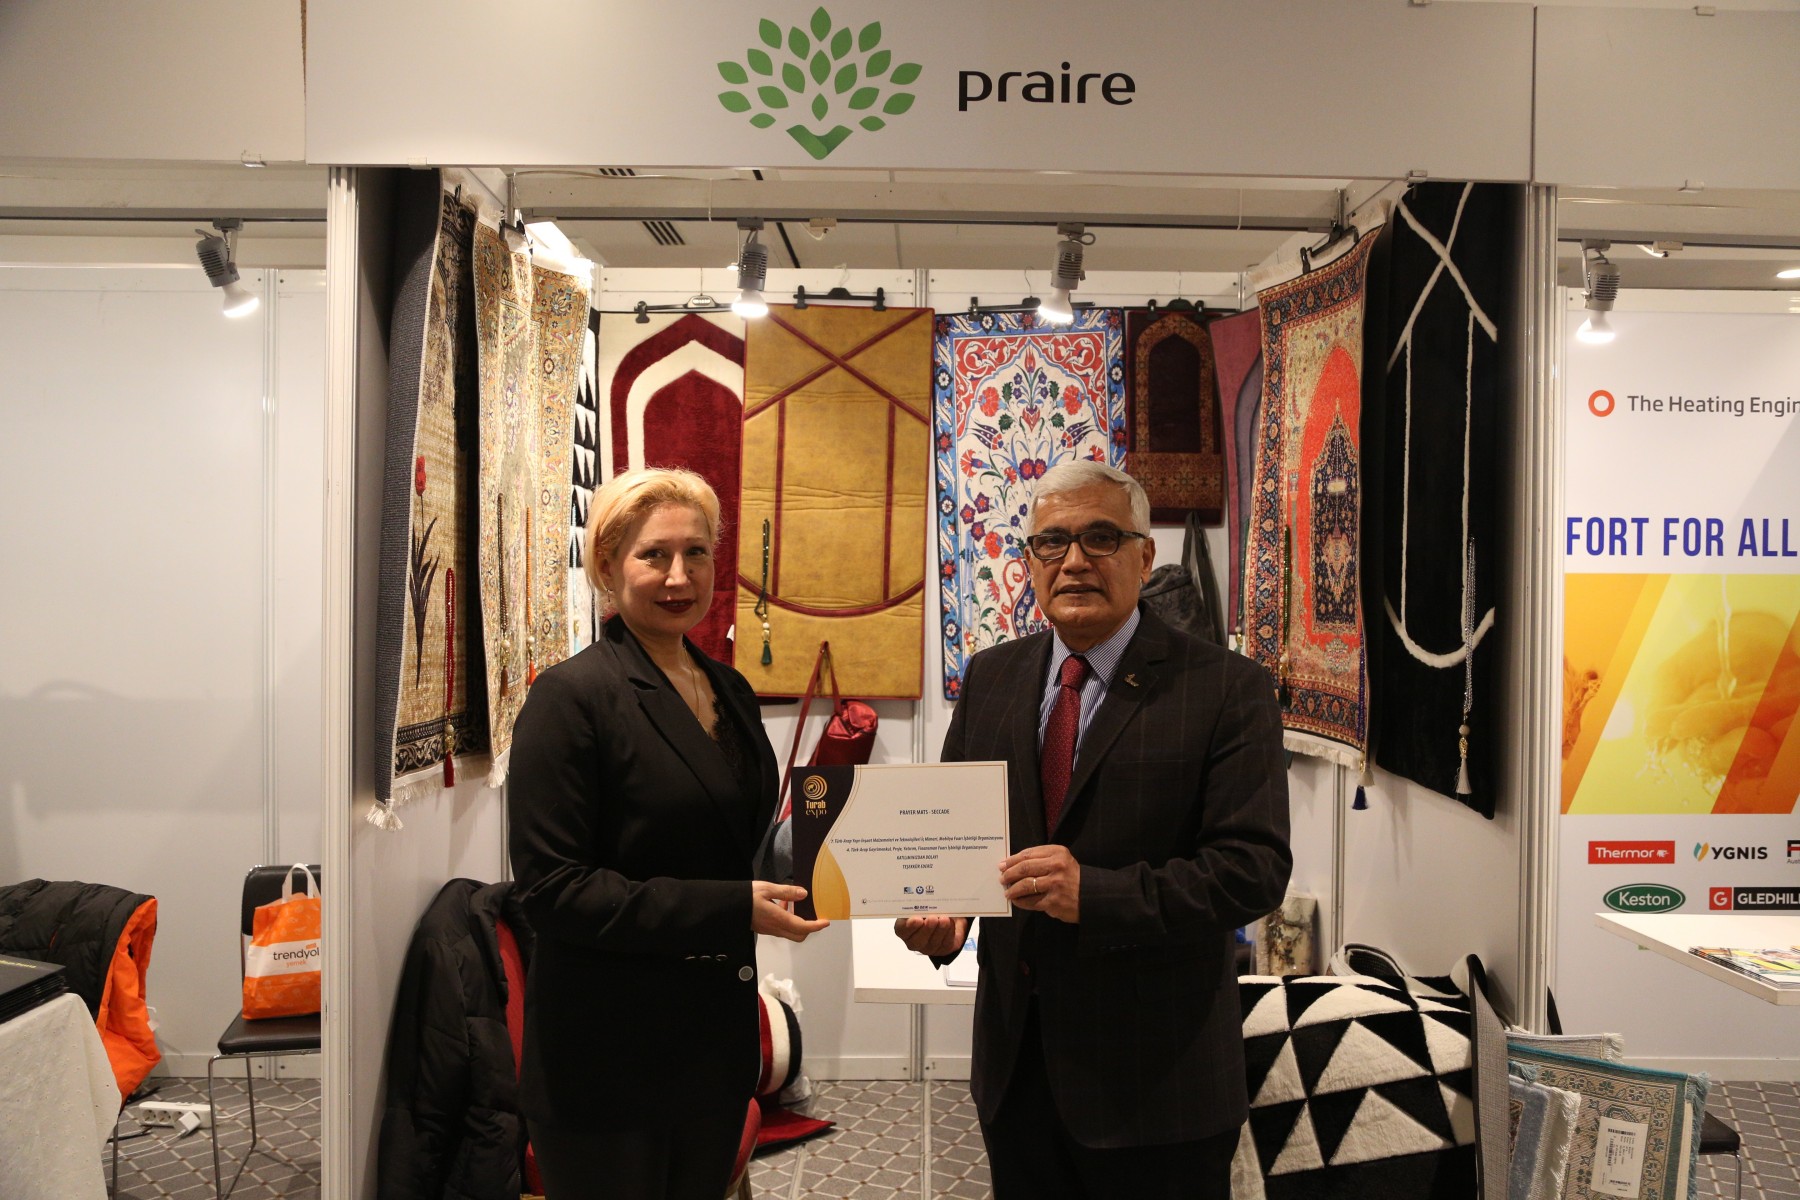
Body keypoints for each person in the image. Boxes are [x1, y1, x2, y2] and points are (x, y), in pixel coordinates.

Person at [896, 460, 1291, 1199]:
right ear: (1030, 563)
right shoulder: (991, 678)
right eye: (1052, 542)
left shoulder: (1226, 688)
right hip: (1016, 1073)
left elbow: (1253, 870)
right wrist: (945, 919)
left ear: (1145, 557)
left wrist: (1096, 895)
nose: (1074, 560)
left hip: (1158, 1087)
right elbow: (956, 842)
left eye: (1101, 537)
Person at [508, 467, 828, 1200]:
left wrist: (838, 861)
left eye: (697, 553)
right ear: (608, 565)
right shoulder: (570, 699)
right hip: (608, 1060)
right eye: (654, 554)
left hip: (710, 1051)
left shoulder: (728, 688)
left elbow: (730, 838)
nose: (679, 576)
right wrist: (734, 907)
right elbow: (554, 892)